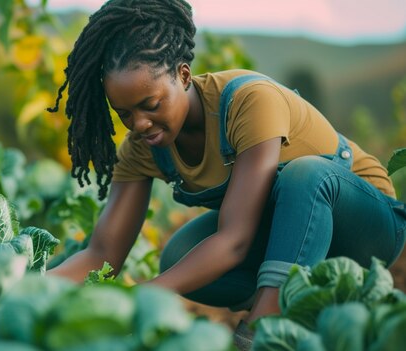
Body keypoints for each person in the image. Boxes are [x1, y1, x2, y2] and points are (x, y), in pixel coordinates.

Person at [46, 0, 406, 348]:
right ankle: (308, 305)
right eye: (124, 113)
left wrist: (142, 296)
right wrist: (28, 286)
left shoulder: (248, 101)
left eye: (150, 105)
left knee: (305, 175)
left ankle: (264, 326)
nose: (139, 123)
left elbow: (234, 240)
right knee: (180, 255)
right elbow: (103, 250)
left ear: (183, 75)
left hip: (367, 227)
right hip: (295, 242)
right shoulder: (143, 148)